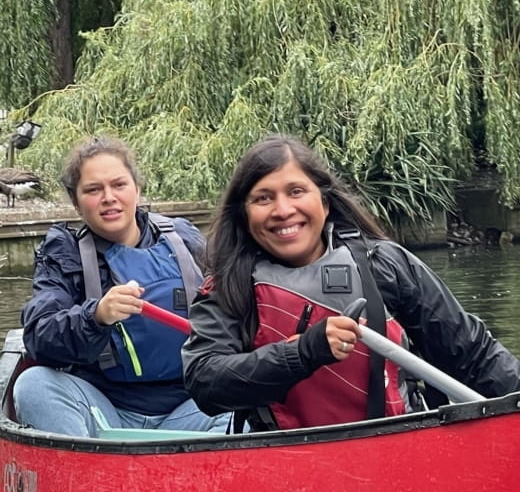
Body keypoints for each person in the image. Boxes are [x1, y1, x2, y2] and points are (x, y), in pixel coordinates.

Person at [182, 133, 520, 431]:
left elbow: (473, 355)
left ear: (324, 203)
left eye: (296, 191)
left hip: (400, 448)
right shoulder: (229, 286)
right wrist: (302, 353)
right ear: (244, 214)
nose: (283, 210)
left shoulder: (384, 265)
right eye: (263, 198)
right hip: (285, 462)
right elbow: (206, 382)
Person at [14, 136, 230, 437]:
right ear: (76, 202)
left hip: (192, 407)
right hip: (106, 412)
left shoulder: (184, 238)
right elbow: (40, 335)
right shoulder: (64, 253)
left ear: (136, 189)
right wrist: (96, 316)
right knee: (33, 385)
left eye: (119, 185)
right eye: (93, 190)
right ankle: (87, 474)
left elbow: (234, 310)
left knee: (252, 393)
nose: (109, 197)